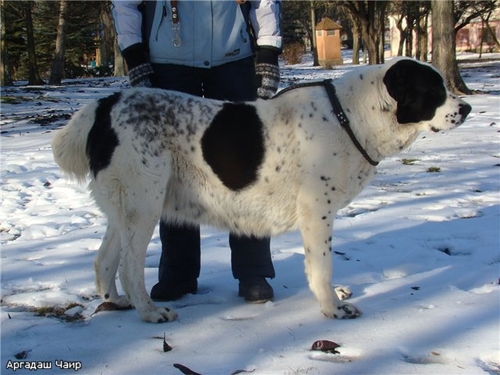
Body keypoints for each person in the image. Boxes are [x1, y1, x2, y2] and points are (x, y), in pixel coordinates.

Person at [112, 0, 282, 304]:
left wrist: (268, 50)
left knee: (247, 165)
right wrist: (134, 55)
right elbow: (125, 4)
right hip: (169, 62)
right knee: (173, 171)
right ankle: (178, 272)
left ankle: (253, 271)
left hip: (234, 56)